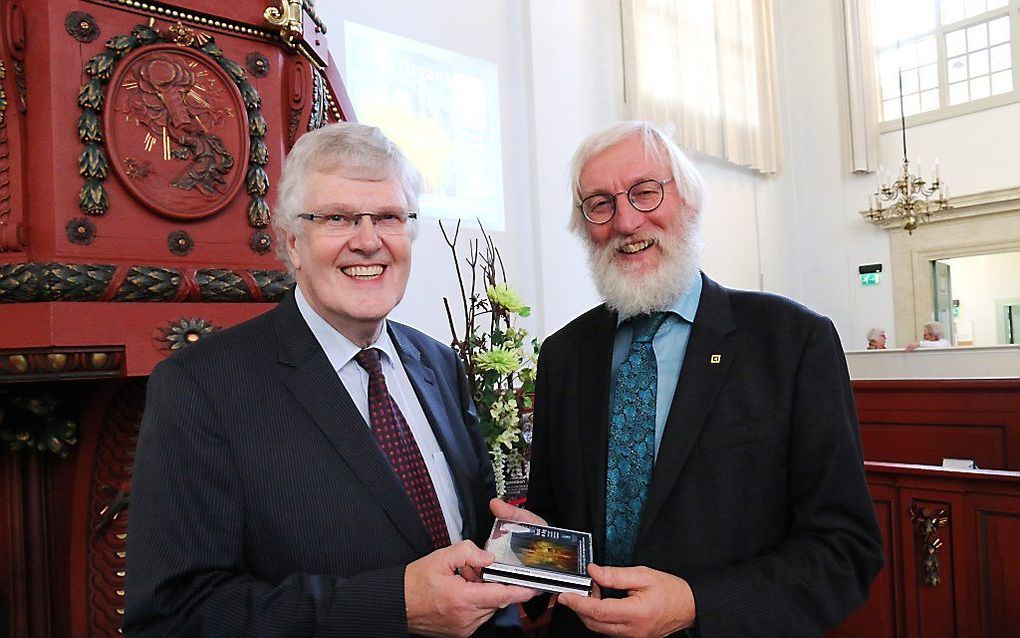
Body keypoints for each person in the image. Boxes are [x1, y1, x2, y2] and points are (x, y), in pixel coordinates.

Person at [124, 122, 535, 637]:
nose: (368, 242)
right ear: (293, 243)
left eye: (388, 217)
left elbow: (460, 541)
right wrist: (393, 605)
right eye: (338, 218)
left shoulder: (439, 365)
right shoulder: (202, 389)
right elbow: (175, 616)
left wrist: (509, 554)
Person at [492, 121, 883, 637]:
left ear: (690, 202)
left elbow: (844, 548)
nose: (626, 221)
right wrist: (533, 553)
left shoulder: (790, 341)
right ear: (585, 226)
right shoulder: (564, 354)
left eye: (645, 192)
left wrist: (698, 604)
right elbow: (557, 520)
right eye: (600, 204)